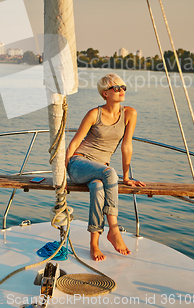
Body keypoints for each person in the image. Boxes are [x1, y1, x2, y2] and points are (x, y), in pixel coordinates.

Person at [65, 73, 145, 261]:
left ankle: (94, 243)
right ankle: (114, 230)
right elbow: (75, 142)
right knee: (109, 173)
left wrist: (126, 177)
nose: (121, 91)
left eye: (123, 87)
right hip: (79, 164)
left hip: (100, 172)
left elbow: (126, 146)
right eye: (116, 88)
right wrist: (65, 169)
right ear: (104, 94)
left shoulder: (129, 113)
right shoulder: (94, 114)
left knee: (98, 187)